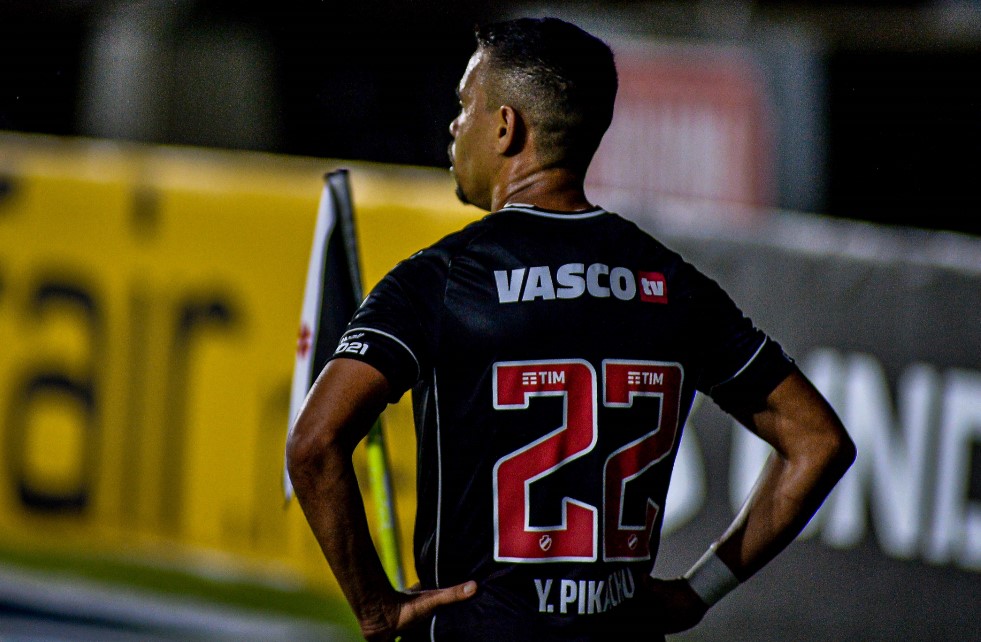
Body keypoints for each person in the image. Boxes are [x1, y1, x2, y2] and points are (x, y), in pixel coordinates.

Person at [287, 16, 855, 642]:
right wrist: (700, 590)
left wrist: (375, 608)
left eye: (465, 105)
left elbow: (313, 443)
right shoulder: (673, 284)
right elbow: (819, 441)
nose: (454, 125)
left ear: (505, 127)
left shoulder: (441, 279)